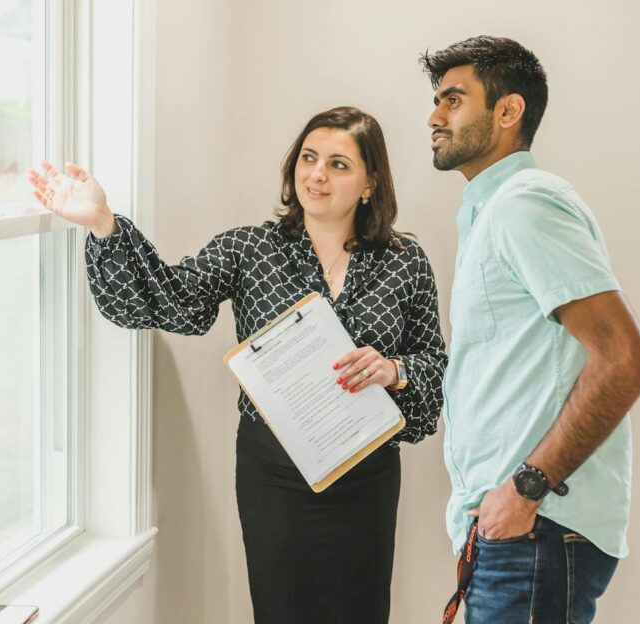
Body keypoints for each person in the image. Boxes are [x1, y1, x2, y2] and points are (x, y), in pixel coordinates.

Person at [27, 106, 446, 623]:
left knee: (360, 611)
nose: (317, 174)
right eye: (309, 158)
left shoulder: (405, 261)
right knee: (281, 610)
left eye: (339, 164)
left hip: (366, 474)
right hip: (274, 474)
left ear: (369, 183)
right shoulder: (250, 248)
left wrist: (394, 370)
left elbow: (435, 365)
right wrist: (103, 224)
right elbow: (166, 301)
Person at [421, 36, 640, 624]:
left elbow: (625, 359)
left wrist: (526, 489)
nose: (433, 116)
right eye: (435, 101)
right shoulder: (488, 214)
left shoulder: (526, 203)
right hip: (512, 532)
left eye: (453, 100)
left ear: (508, 112)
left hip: (536, 530)